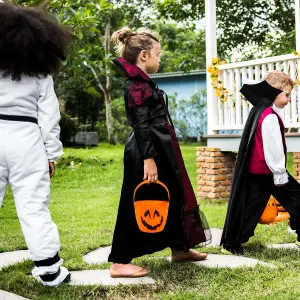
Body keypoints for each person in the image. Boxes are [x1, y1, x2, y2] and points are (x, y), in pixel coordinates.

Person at [108, 27, 211, 278]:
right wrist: (149, 159)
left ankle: (179, 247)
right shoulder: (136, 85)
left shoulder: (143, 82)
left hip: (161, 148)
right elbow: (141, 125)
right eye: (157, 53)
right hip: (147, 151)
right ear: (144, 55)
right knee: (137, 201)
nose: (159, 58)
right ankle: (119, 261)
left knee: (174, 195)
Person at [0, 3, 72, 285]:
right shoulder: (41, 73)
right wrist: (51, 154)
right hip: (26, 138)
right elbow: (49, 118)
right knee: (33, 206)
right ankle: (49, 269)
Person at [221, 71, 300, 254]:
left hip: (259, 171)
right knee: (297, 198)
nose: (289, 100)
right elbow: (272, 148)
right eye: (286, 95)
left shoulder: (261, 110)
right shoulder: (269, 115)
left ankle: (234, 242)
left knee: (252, 206)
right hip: (270, 171)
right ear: (275, 92)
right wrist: (279, 173)